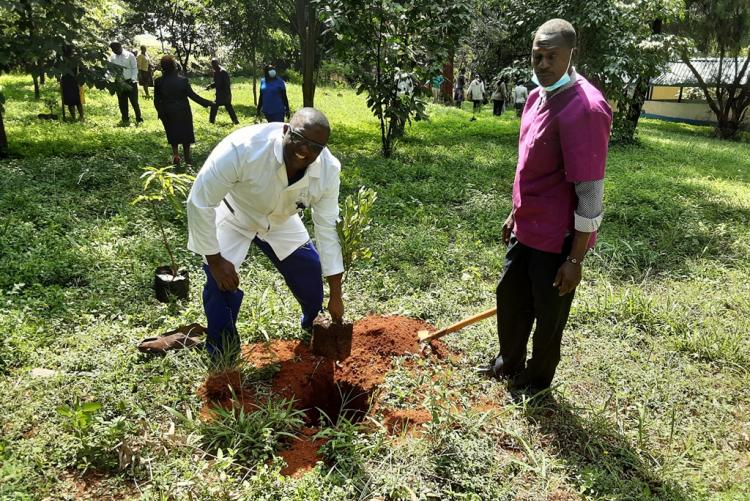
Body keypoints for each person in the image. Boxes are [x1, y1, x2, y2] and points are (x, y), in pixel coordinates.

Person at [476, 19, 612, 395]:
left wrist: (576, 259)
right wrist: (514, 213)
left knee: (548, 313)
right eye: (538, 55)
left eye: (553, 56)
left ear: (572, 56)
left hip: (558, 239)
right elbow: (530, 166)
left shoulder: (585, 109)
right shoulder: (537, 97)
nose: (543, 64)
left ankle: (537, 381)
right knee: (511, 297)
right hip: (527, 226)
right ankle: (509, 362)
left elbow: (589, 191)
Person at [186, 108, 345, 357]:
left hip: (282, 220)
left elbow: (327, 229)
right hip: (236, 214)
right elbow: (200, 201)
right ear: (285, 130)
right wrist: (215, 260)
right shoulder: (243, 148)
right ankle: (222, 349)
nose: (305, 150)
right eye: (299, 139)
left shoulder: (328, 171)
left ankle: (314, 325)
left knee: (309, 272)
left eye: (315, 147)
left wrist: (336, 294)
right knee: (221, 284)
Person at [153, 55, 214, 166]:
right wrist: (208, 103)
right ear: (174, 66)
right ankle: (187, 158)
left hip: (167, 111)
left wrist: (160, 113)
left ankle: (176, 155)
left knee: (172, 133)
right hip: (182, 110)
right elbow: (193, 96)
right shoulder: (182, 80)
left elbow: (156, 100)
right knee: (186, 134)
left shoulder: (158, 81)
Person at [109, 42, 143, 124]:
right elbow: (111, 70)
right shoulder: (112, 57)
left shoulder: (130, 55)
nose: (115, 51)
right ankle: (125, 118)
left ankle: (139, 118)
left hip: (130, 81)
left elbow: (135, 68)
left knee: (134, 101)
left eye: (116, 49)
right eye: (113, 50)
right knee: (122, 102)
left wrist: (133, 79)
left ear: (120, 47)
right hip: (119, 82)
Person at [206, 58, 240, 125]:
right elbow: (216, 83)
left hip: (225, 95)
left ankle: (235, 121)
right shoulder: (215, 72)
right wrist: (210, 86)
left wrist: (223, 95)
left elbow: (227, 85)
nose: (213, 67)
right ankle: (211, 121)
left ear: (217, 64)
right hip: (219, 95)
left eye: (214, 65)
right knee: (218, 107)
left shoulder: (223, 72)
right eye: (212, 65)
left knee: (224, 106)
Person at [60, 46, 84, 122]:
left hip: (76, 82)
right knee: (72, 101)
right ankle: (75, 117)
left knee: (78, 101)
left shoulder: (76, 60)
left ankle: (80, 117)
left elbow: (82, 69)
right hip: (67, 82)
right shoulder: (61, 60)